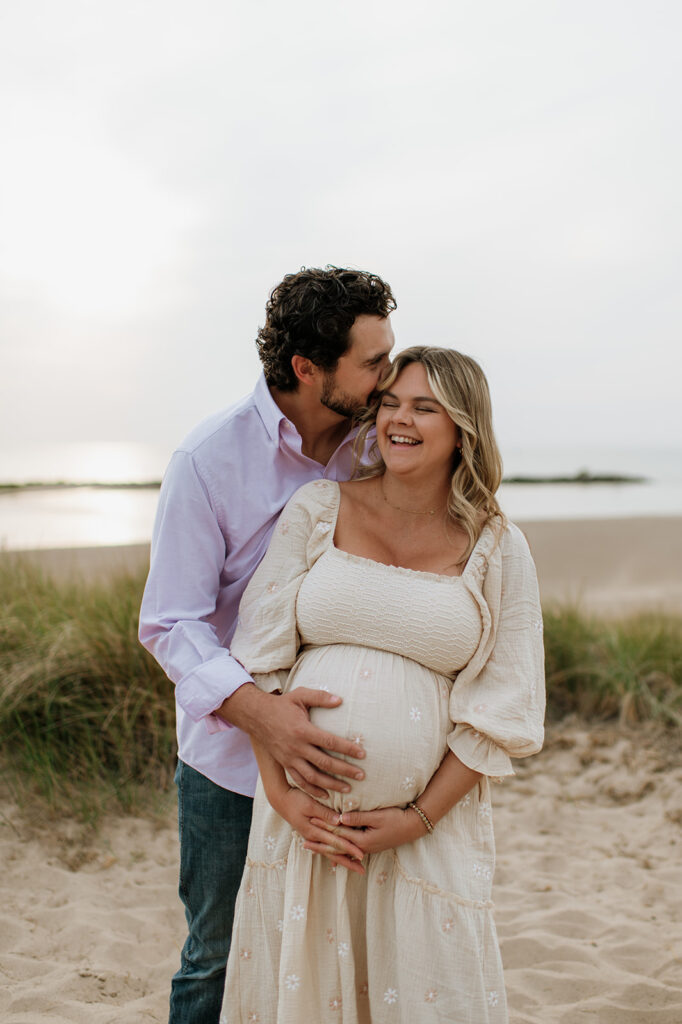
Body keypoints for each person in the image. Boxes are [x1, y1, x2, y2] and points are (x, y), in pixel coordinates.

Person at [219, 346, 546, 1024]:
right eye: (390, 402)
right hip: (303, 827)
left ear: (463, 427)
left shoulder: (496, 544)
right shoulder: (319, 508)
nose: (400, 419)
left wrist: (414, 818)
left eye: (424, 407)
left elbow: (502, 711)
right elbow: (260, 662)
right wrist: (280, 794)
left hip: (429, 832)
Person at [139, 266, 397, 1024]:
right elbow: (170, 622)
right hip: (227, 769)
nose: (389, 377)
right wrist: (265, 717)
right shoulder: (207, 461)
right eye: (373, 362)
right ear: (307, 369)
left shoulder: (381, 445)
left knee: (336, 956)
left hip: (351, 765)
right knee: (216, 956)